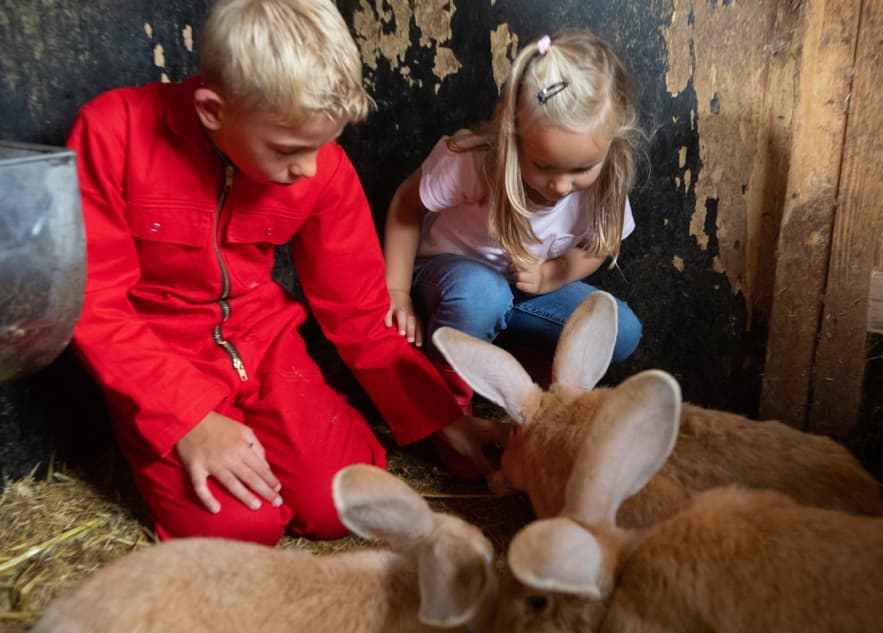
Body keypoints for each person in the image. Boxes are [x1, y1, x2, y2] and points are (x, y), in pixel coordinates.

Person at [66, 0, 505, 546]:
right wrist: (188, 421)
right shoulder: (112, 133)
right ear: (211, 110)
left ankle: (309, 431)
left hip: (264, 345)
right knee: (239, 529)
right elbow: (94, 302)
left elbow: (361, 313)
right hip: (160, 357)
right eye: (288, 149)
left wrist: (446, 420)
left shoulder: (319, 167)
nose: (312, 168)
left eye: (326, 144)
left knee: (344, 503)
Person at [382, 29, 643, 411]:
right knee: (483, 295)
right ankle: (445, 402)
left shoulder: (607, 182)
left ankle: (534, 402)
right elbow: (407, 206)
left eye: (582, 168)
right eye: (542, 165)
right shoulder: (472, 162)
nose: (559, 185)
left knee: (621, 328)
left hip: (525, 292)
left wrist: (553, 275)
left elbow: (597, 246)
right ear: (511, 133)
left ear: (612, 145)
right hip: (451, 286)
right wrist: (397, 292)